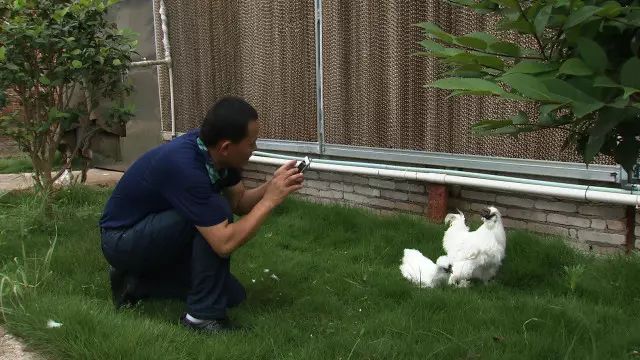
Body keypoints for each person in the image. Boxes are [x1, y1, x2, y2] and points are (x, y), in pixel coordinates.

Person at [99, 97, 304, 334]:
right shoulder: (184, 165)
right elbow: (223, 243)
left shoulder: (217, 152)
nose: (254, 149)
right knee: (216, 212)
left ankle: (135, 283)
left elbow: (239, 202)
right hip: (121, 240)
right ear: (226, 147)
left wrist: (273, 186)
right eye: (251, 143)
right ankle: (201, 318)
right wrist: (269, 202)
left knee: (232, 296)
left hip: (158, 232)